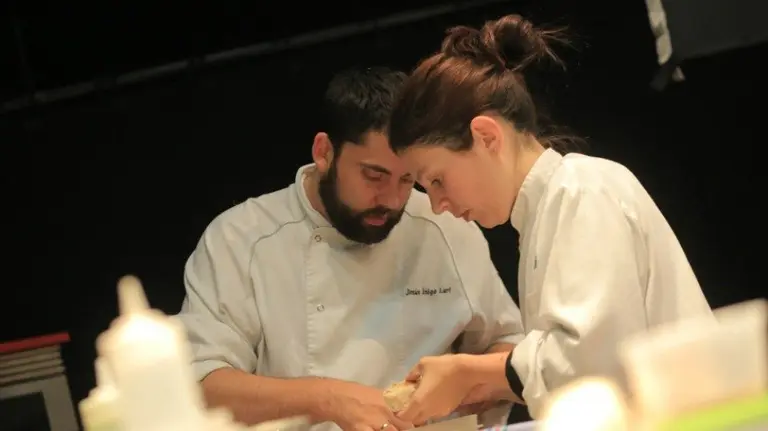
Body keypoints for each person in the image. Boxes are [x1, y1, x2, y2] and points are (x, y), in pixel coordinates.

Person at [386, 14, 714, 423]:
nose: (438, 205)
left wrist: (470, 372)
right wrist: (479, 385)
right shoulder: (545, 213)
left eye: (437, 180)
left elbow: (591, 363)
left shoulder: (582, 189)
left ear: (487, 137)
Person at [175, 67, 526, 431]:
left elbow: (509, 348)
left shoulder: (446, 227)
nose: (392, 200)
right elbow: (200, 385)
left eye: (407, 180)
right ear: (324, 152)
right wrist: (327, 399)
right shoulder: (240, 239)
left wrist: (461, 387)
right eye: (374, 176)